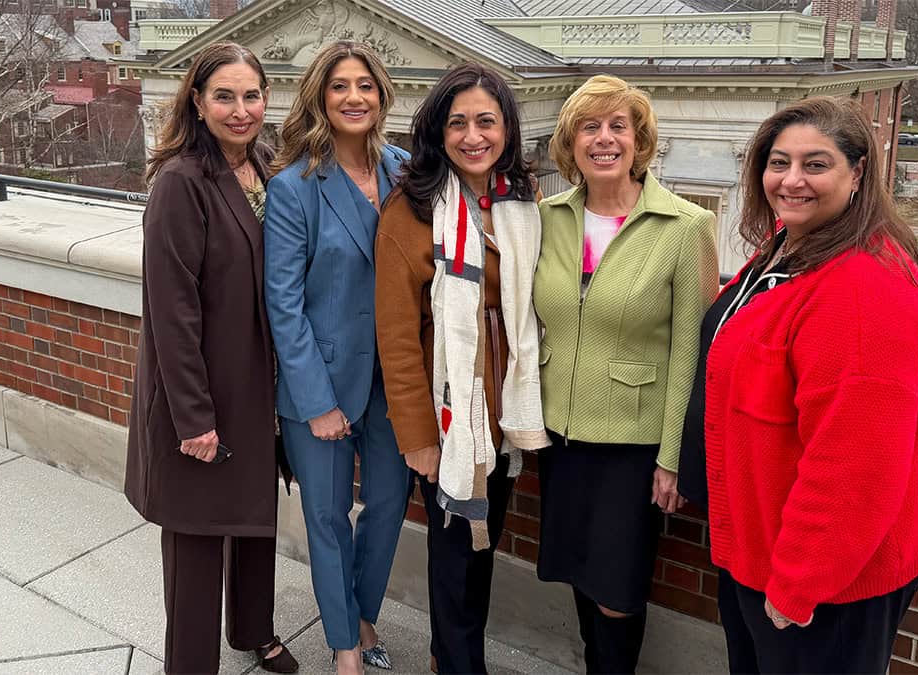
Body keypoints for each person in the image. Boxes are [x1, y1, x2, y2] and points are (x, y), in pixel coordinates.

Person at [699, 96, 918, 673]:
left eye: (815, 165)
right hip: (767, 551)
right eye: (778, 162)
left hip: (827, 582)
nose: (791, 180)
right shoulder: (796, 245)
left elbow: (855, 464)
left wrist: (797, 584)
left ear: (858, 172)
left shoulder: (863, 292)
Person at [532, 74, 719, 674]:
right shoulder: (548, 217)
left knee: (617, 591)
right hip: (560, 436)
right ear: (570, 142)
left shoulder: (685, 227)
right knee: (580, 579)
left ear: (640, 142)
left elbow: (691, 351)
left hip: (633, 446)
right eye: (591, 127)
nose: (605, 139)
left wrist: (672, 457)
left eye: (620, 127)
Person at [124, 42, 298, 675]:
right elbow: (171, 315)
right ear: (196, 102)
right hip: (200, 394)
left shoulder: (266, 165)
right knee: (197, 541)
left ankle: (254, 627)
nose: (241, 109)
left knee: (254, 520)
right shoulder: (180, 184)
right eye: (224, 96)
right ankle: (190, 664)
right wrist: (193, 418)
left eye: (251, 95)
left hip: (259, 388)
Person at [375, 63, 549, 675]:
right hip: (450, 417)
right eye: (457, 123)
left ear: (507, 129)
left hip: (505, 409)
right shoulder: (413, 209)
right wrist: (418, 436)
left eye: (486, 121)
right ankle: (457, 663)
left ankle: (447, 655)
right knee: (455, 555)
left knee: (483, 546)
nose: (473, 136)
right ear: (436, 132)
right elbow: (396, 336)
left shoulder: (521, 205)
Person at [263, 41, 412, 675]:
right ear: (320, 98)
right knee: (327, 518)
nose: (354, 97)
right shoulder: (295, 186)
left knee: (387, 503)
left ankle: (362, 609)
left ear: (382, 96)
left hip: (398, 379)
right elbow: (284, 304)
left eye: (366, 86)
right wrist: (317, 403)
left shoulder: (407, 172)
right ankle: (345, 644)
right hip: (319, 383)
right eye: (340, 86)